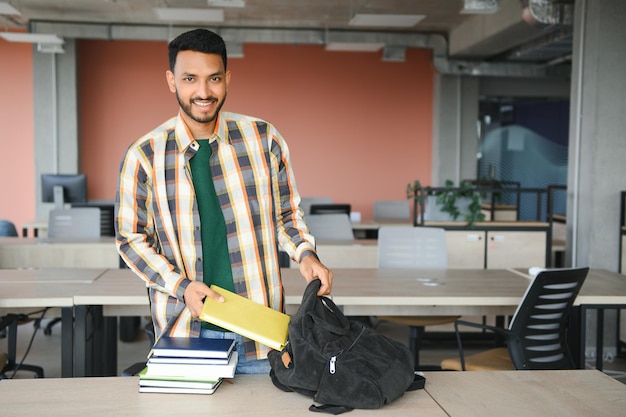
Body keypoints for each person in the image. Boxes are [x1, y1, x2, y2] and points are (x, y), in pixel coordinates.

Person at [115, 28, 333, 374]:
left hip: (259, 332)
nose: (203, 91)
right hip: (185, 331)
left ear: (227, 78)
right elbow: (130, 239)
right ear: (171, 80)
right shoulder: (144, 155)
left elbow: (287, 216)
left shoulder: (264, 139)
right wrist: (180, 286)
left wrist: (305, 254)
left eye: (213, 78)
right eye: (190, 79)